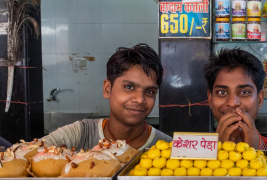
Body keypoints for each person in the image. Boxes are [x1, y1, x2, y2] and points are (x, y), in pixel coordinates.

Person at [43, 44, 171, 151]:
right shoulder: (81, 134)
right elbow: (29, 153)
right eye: (129, 87)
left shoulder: (166, 147)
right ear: (107, 89)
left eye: (149, 91)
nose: (140, 99)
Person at [204, 48, 267, 161]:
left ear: (259, 100)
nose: (233, 103)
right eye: (222, 92)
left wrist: (254, 157)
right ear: (210, 99)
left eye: (245, 92)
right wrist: (218, 155)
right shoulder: (190, 159)